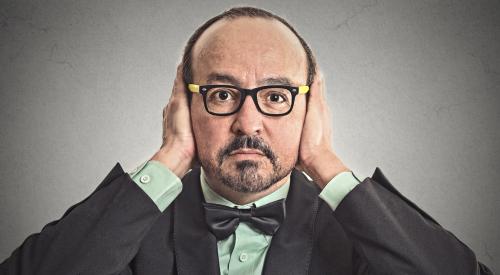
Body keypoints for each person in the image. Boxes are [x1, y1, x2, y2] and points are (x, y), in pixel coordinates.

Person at [0, 6, 492, 275]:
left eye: (275, 96)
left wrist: (323, 160)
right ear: (184, 104)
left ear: (309, 107)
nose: (248, 122)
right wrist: (171, 157)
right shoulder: (129, 223)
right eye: (221, 93)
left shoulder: (363, 229)